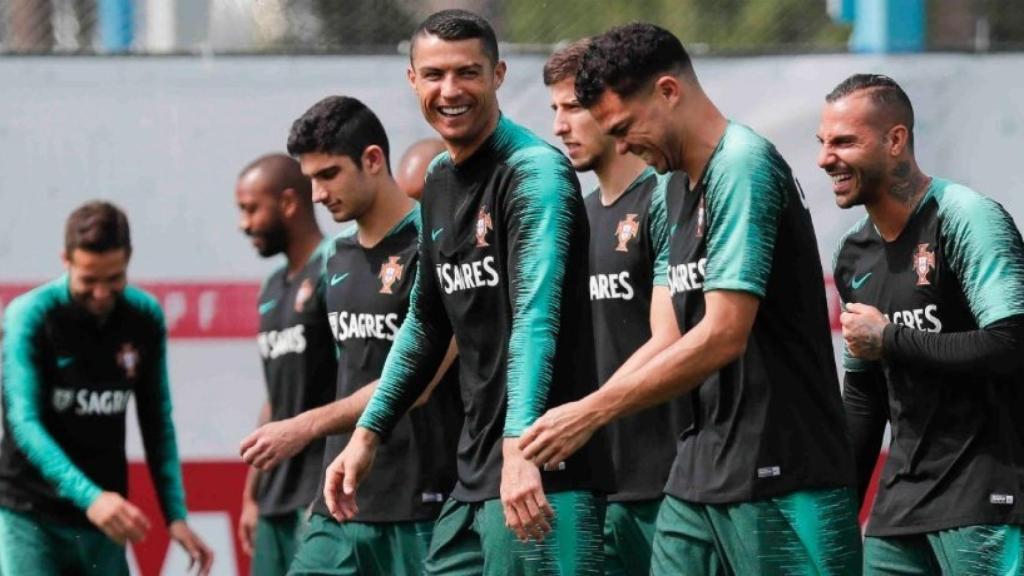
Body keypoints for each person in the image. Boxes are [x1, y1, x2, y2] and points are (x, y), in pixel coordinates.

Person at [520, 23, 861, 575]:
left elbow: (725, 333)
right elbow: (669, 335)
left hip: (785, 470)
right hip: (698, 469)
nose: (623, 144)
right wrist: (574, 417)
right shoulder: (669, 188)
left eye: (625, 126)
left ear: (668, 91)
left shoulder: (743, 165)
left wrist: (592, 411)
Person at [324, 9, 613, 575]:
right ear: (412, 80)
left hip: (544, 474)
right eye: (433, 75)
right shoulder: (436, 179)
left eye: (467, 73)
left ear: (498, 74)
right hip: (476, 476)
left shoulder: (535, 172)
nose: (449, 91)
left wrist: (520, 451)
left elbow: (536, 317)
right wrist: (368, 432)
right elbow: (427, 321)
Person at [246, 95, 460, 575]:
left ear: (372, 160)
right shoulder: (333, 258)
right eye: (310, 179)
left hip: (423, 499)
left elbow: (418, 382)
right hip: (339, 500)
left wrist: (304, 426)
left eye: (328, 175)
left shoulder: (438, 246)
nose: (317, 195)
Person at [822, 73, 1024, 575]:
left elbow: (1012, 344)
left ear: (896, 140)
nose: (827, 158)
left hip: (989, 495)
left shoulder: (966, 217)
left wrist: (891, 338)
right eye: (823, 143)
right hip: (900, 508)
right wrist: (839, 506)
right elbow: (865, 395)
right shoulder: (852, 253)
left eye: (845, 141)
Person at [0, 201, 213, 575]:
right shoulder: (29, 315)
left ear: (128, 260)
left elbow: (157, 422)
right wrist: (91, 498)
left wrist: (175, 515)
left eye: (113, 279)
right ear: (65, 259)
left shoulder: (144, 316)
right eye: (88, 281)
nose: (101, 293)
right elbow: (23, 422)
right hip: (30, 515)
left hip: (104, 521)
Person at [544, 39, 686, 576]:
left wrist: (586, 415)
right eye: (554, 110)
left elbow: (668, 338)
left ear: (610, 104)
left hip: (666, 481)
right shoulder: (572, 218)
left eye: (574, 107)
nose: (560, 126)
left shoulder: (666, 200)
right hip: (592, 485)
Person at [234, 154, 337, 575]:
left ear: (290, 203)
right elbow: (276, 395)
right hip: (275, 496)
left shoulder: (338, 265)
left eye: (251, 208)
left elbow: (358, 378)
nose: (244, 223)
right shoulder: (271, 286)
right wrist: (251, 494)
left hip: (322, 492)